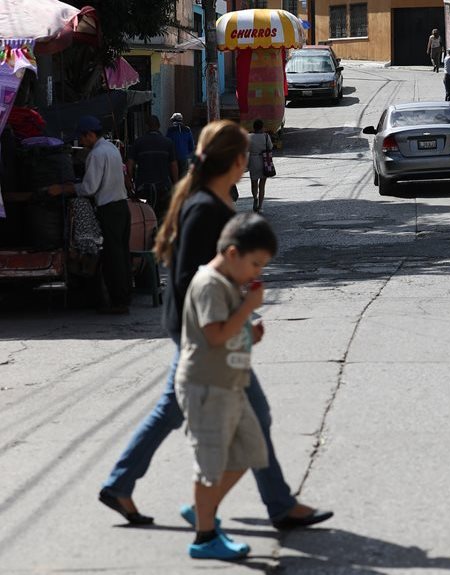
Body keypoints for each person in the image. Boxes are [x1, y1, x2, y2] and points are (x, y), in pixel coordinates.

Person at [98, 120, 332, 530]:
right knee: (253, 415)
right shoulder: (205, 207)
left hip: (202, 324)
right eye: (245, 155)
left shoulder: (217, 199)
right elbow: (192, 277)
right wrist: (239, 318)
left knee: (173, 410)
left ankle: (123, 485)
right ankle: (266, 506)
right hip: (202, 328)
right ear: (238, 159)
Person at [176, 213, 278, 559]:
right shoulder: (209, 284)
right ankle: (204, 537)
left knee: (251, 449)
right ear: (233, 253)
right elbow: (215, 335)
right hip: (206, 387)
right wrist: (248, 307)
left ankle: (203, 507)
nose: (257, 273)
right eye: (255, 264)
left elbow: (230, 332)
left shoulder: (230, 283)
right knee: (210, 465)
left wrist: (250, 332)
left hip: (230, 384)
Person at [48, 115, 131, 314]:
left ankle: (118, 302)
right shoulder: (111, 148)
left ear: (91, 135)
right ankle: (124, 297)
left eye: (83, 139)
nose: (82, 142)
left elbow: (89, 188)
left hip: (109, 209)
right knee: (121, 255)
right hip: (121, 207)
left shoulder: (96, 154)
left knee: (113, 258)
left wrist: (64, 189)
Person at [127, 115, 178, 222]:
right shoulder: (168, 142)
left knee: (145, 217)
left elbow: (130, 164)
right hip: (163, 187)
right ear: (159, 126)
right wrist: (176, 184)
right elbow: (173, 165)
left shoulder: (138, 142)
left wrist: (130, 183)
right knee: (162, 216)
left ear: (146, 126)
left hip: (143, 187)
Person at [248, 119, 273, 213]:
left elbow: (246, 148)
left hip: (253, 161)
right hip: (264, 162)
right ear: (262, 127)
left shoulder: (249, 137)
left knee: (253, 183)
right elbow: (270, 147)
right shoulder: (266, 136)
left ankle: (255, 198)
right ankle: (261, 206)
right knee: (262, 185)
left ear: (254, 127)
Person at [166, 112, 195, 178]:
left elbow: (167, 143)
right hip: (184, 157)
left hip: (173, 157)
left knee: (173, 177)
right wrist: (186, 153)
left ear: (173, 121)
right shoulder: (187, 130)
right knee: (183, 177)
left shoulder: (170, 130)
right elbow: (191, 145)